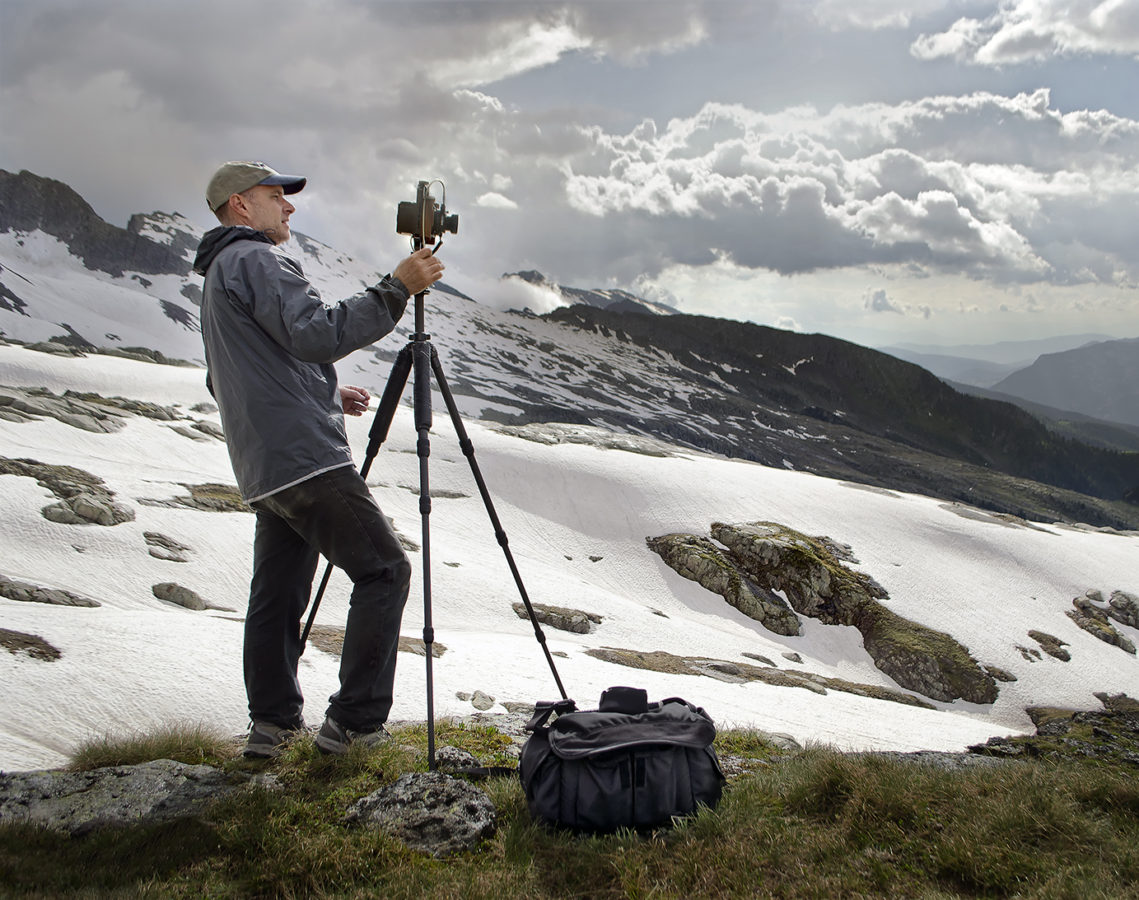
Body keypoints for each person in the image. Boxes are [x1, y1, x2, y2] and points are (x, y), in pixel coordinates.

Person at [192, 161, 444, 758]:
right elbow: (314, 333)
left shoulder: (217, 276)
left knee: (277, 596)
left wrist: (327, 392)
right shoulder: (256, 259)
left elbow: (231, 376)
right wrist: (397, 286)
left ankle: (272, 727)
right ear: (239, 206)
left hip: (263, 466)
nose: (289, 207)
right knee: (385, 570)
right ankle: (353, 727)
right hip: (306, 458)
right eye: (276, 195)